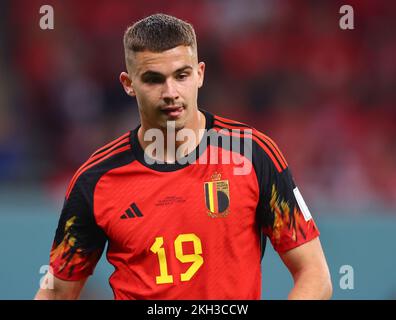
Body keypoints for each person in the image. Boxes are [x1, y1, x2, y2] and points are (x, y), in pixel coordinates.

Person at [35, 13, 332, 300]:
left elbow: (314, 275)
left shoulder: (253, 154)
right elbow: (56, 292)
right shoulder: (95, 181)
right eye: (153, 79)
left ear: (200, 74)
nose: (171, 92)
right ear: (128, 84)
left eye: (182, 75)